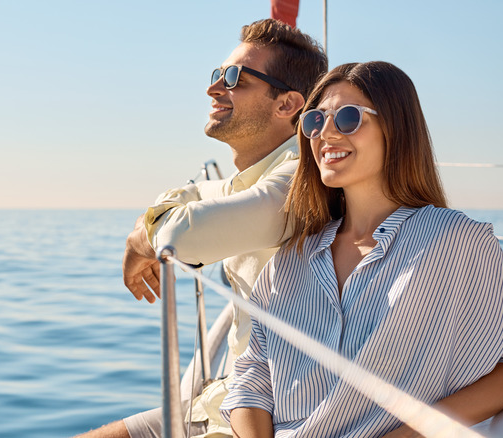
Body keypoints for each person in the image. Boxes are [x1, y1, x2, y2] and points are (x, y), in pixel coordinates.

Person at [221, 61, 503, 437]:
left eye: (347, 118)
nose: (325, 133)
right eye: (314, 121)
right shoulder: (291, 260)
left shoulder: (456, 242)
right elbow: (252, 378)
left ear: (396, 128)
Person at [75, 19, 327, 438]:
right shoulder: (251, 179)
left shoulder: (302, 175)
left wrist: (140, 238)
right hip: (231, 398)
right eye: (217, 75)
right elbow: (190, 195)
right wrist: (155, 222)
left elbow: (184, 233)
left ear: (287, 105)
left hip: (278, 412)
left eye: (233, 79)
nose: (214, 88)